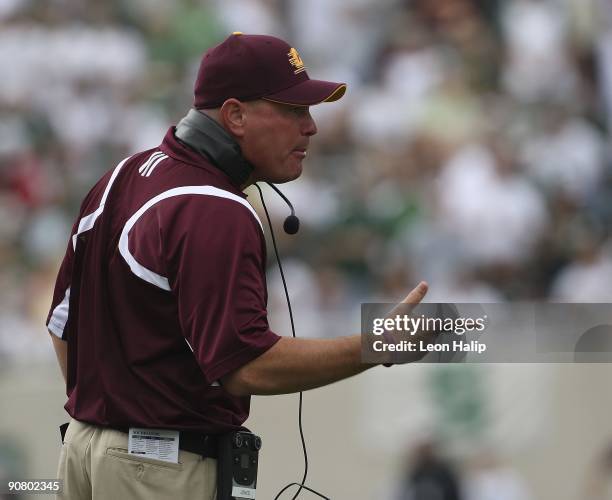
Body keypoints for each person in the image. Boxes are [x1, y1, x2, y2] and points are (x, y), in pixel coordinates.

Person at [46, 32, 429, 500]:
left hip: (83, 453)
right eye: (293, 111)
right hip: (159, 469)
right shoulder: (215, 207)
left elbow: (61, 327)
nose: (311, 127)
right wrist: (373, 345)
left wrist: (111, 420)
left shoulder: (124, 174)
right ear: (235, 115)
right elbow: (246, 366)